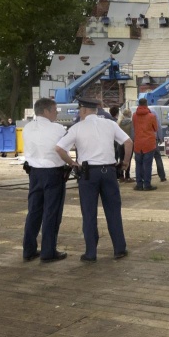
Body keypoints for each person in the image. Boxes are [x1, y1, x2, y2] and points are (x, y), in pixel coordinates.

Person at [55, 97, 132, 262]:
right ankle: (119, 248)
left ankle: (91, 253)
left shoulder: (77, 128)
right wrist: (124, 163)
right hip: (110, 172)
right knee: (113, 212)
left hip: (88, 174)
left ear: (83, 110)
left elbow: (59, 148)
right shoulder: (110, 124)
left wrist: (72, 163)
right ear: (95, 110)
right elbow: (128, 142)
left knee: (89, 213)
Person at [21, 98, 68, 263]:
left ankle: (29, 250)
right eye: (55, 110)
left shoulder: (27, 127)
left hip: (34, 174)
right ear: (47, 111)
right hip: (53, 174)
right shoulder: (58, 129)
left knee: (34, 212)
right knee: (51, 213)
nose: (56, 113)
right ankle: (48, 251)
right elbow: (64, 150)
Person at [132, 98, 158, 191]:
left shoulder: (134, 115)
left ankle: (139, 184)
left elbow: (134, 127)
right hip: (149, 143)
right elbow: (155, 128)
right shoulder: (151, 116)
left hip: (138, 143)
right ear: (146, 104)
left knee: (138, 164)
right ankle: (147, 184)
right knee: (147, 165)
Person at [117, 109, 133, 182]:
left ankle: (121, 176)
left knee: (121, 159)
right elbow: (133, 134)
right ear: (130, 114)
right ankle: (127, 176)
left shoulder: (119, 123)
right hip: (128, 143)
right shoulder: (131, 123)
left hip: (120, 143)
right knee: (128, 159)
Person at [152, 108, 167, 182]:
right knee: (157, 157)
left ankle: (145, 177)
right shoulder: (154, 114)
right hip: (153, 140)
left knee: (145, 160)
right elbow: (158, 127)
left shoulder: (137, 115)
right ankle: (162, 176)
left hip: (142, 141)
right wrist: (160, 138)